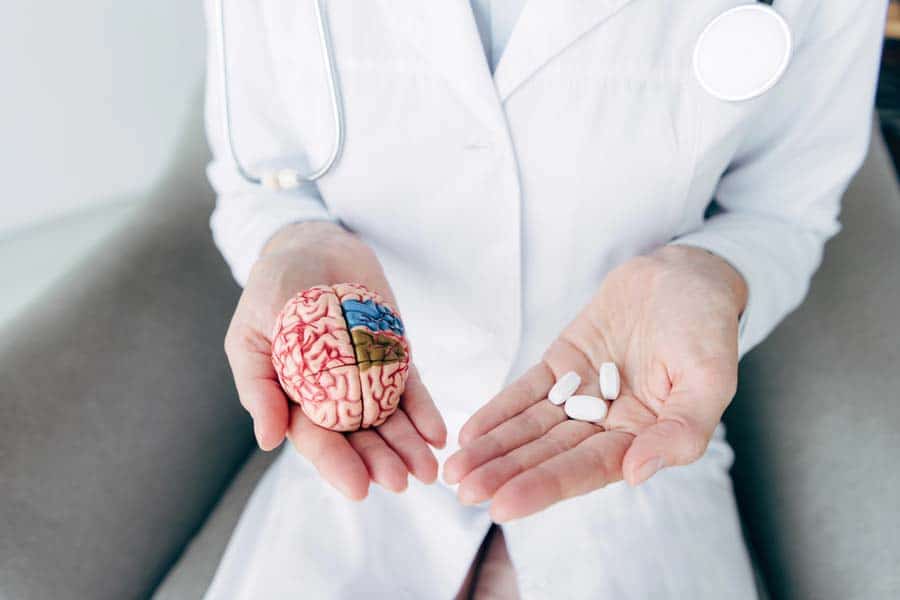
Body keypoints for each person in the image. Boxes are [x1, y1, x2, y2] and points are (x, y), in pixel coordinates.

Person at [203, 1, 886, 598]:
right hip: (371, 449)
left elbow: (784, 209)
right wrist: (291, 243)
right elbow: (259, 180)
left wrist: (712, 274)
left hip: (626, 433)